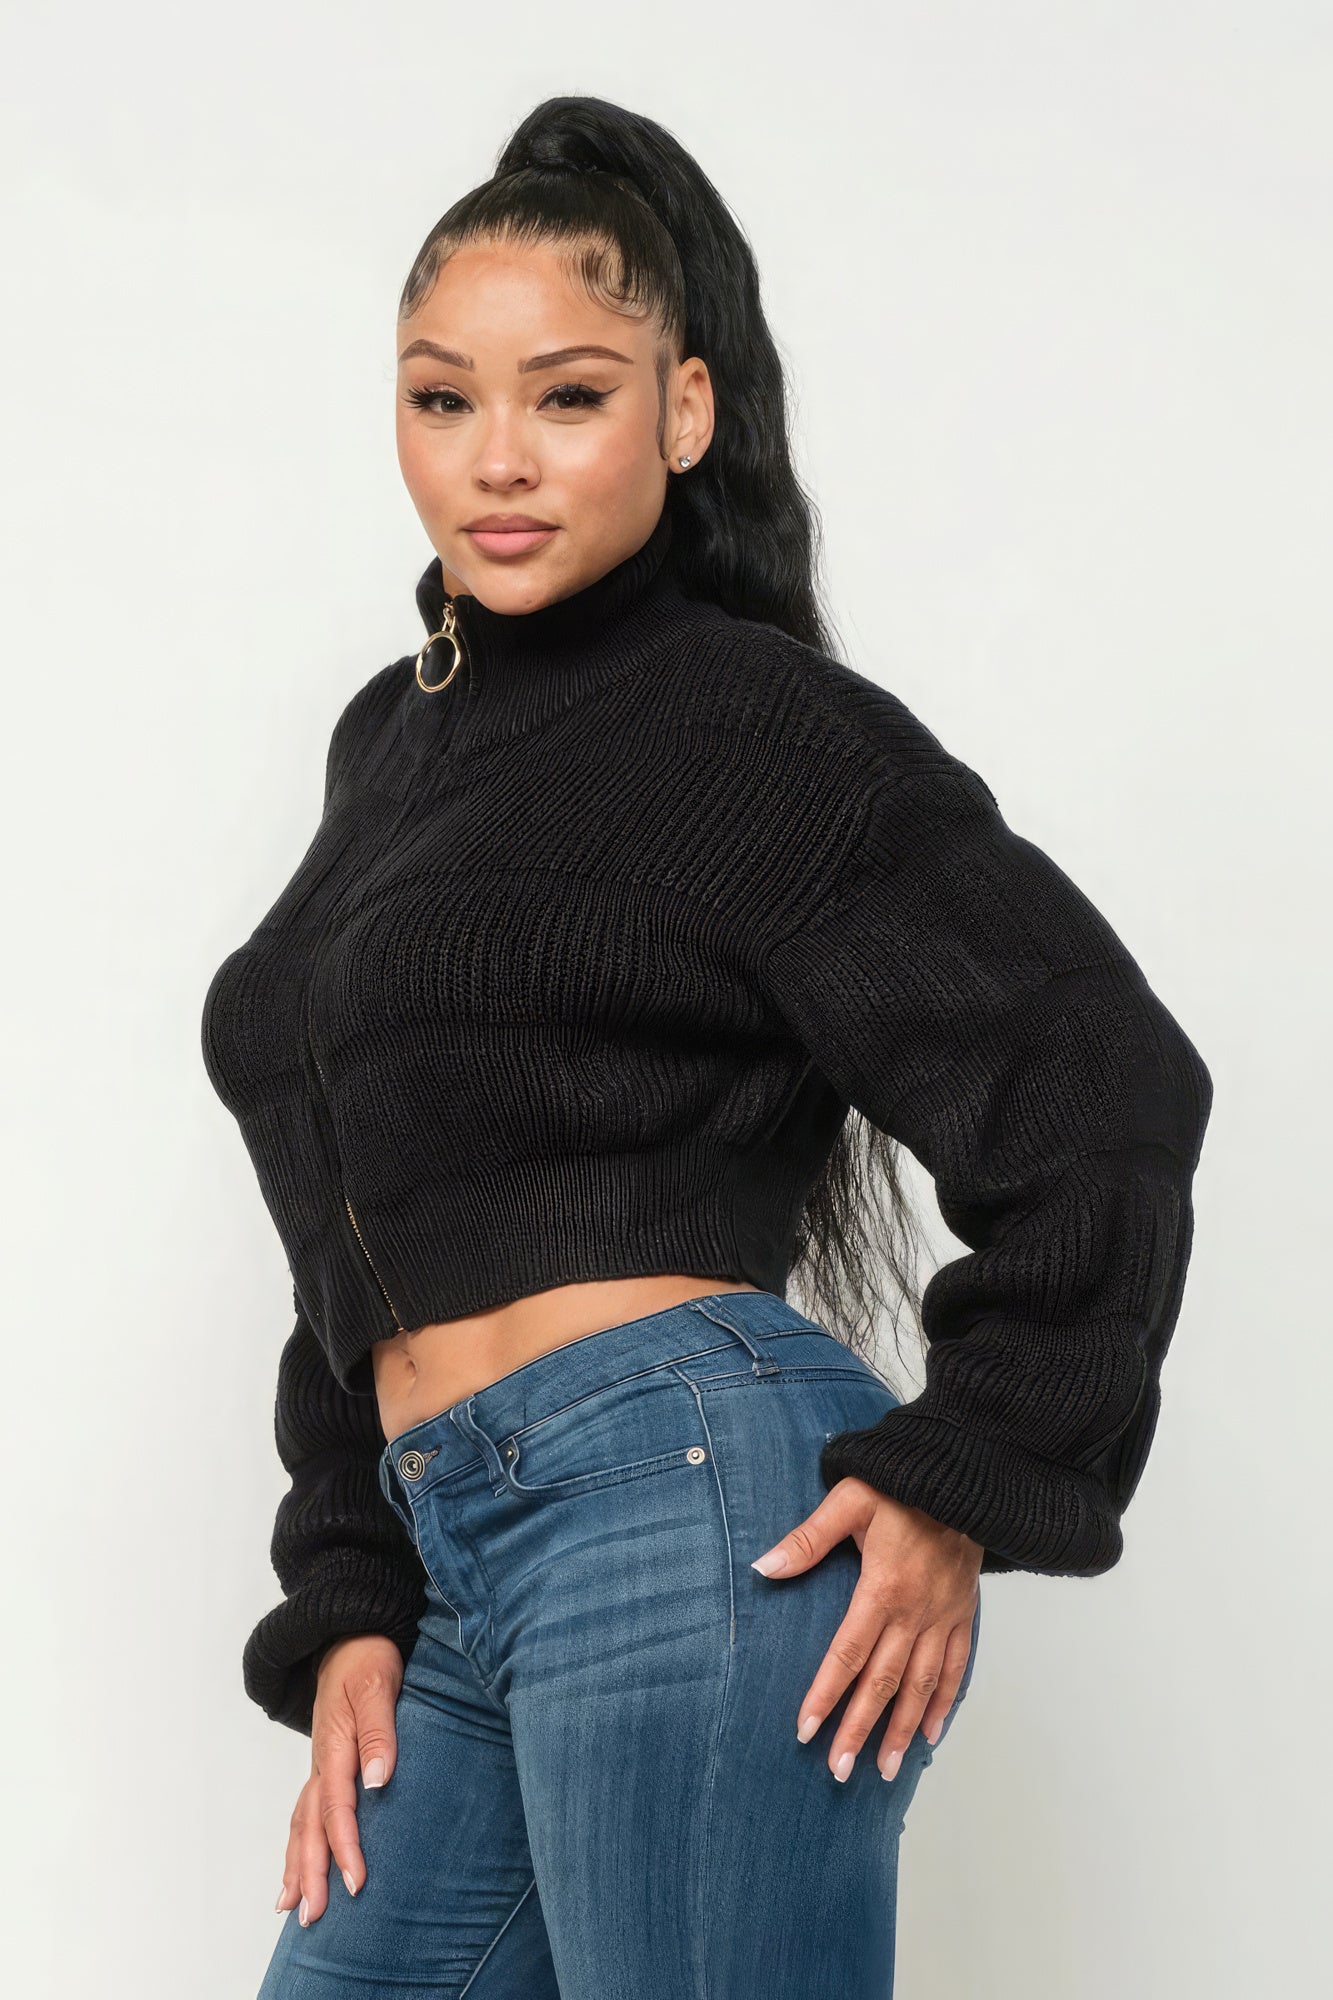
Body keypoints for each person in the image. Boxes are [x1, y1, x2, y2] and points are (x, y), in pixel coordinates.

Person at [200, 94, 1213, 2000]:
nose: (497, 459)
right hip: (453, 1564)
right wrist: (348, 1588)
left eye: (568, 397)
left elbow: (1099, 1081)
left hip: (680, 1500)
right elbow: (358, 1204)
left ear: (683, 412)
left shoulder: (752, 723)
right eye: (441, 399)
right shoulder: (388, 749)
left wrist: (969, 1466)